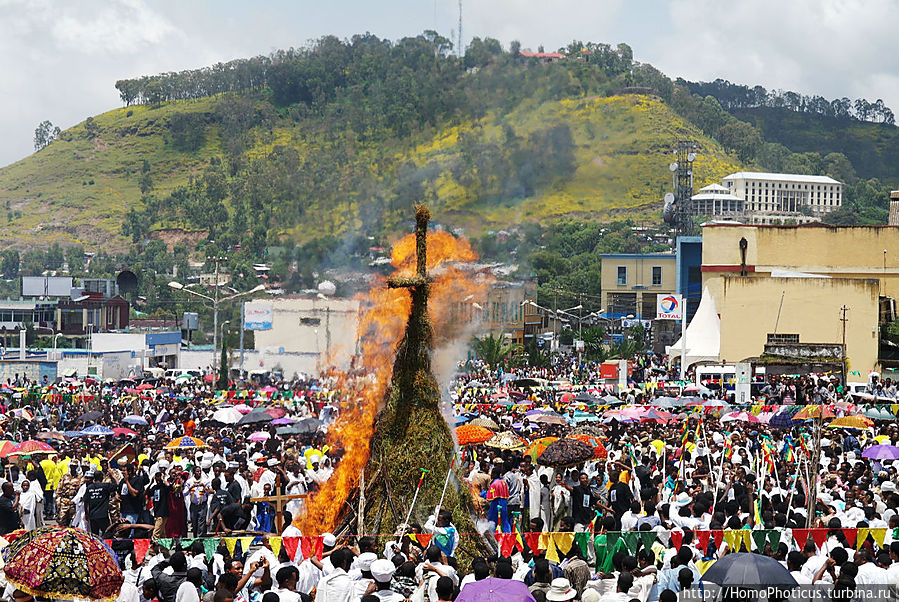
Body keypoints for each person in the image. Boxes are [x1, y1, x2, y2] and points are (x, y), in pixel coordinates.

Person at [85, 469, 117, 536]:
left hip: (92, 515)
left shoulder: (89, 488)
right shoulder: (105, 486)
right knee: (107, 533)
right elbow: (118, 485)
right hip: (103, 515)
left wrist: (86, 514)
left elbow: (86, 501)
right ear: (101, 477)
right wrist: (112, 476)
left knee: (94, 536)